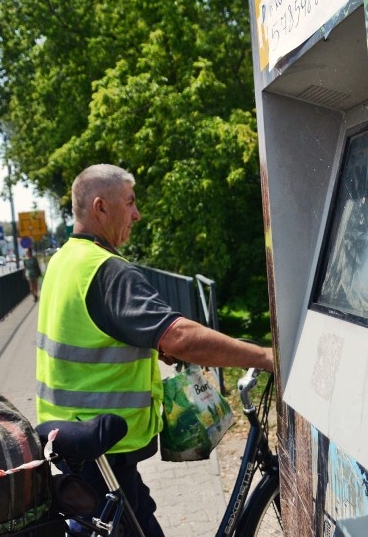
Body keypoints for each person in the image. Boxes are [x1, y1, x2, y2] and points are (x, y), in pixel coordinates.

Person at [36, 164, 273, 536]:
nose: (137, 213)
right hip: (103, 447)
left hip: (71, 438)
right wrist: (263, 356)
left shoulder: (64, 261)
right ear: (101, 207)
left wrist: (143, 340)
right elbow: (178, 335)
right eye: (129, 202)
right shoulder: (107, 271)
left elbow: (91, 330)